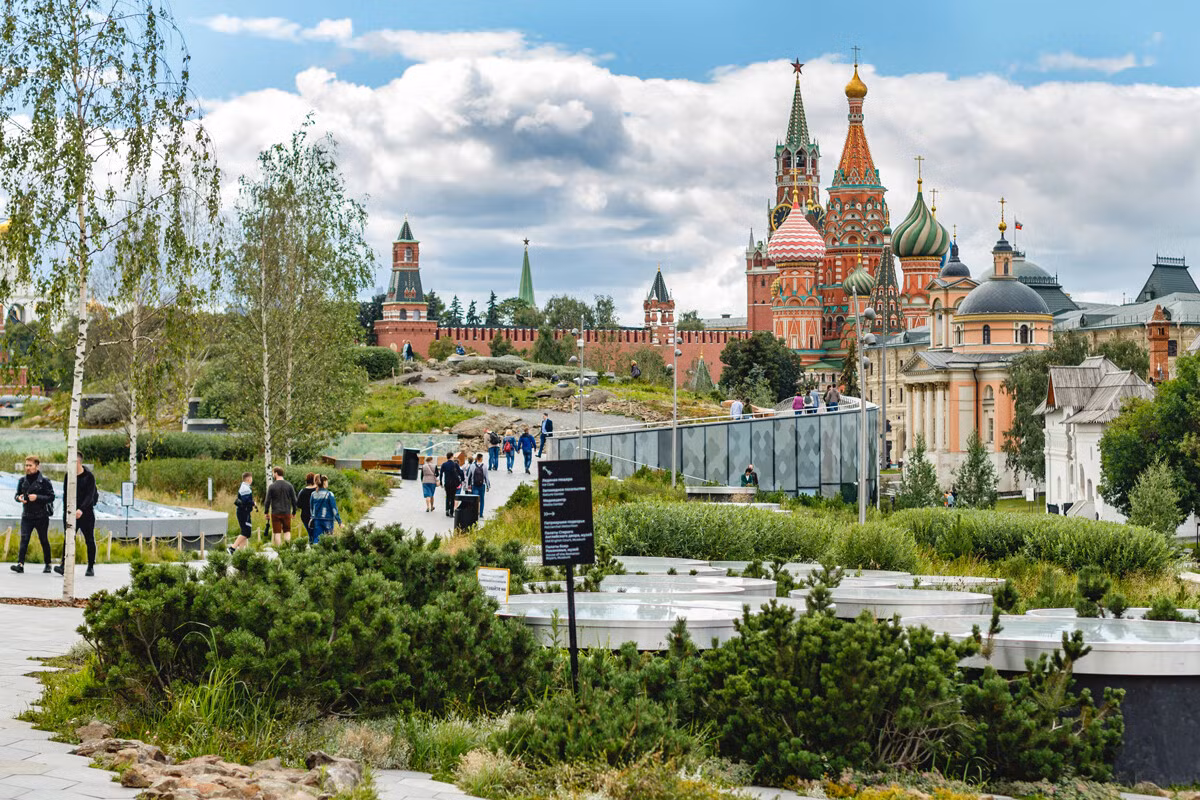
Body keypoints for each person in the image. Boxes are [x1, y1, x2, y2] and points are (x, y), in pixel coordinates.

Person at [55, 455, 99, 577]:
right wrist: (66, 513)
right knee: (68, 539)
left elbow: (90, 496)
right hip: (71, 514)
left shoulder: (89, 477)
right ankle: (64, 565)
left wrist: (81, 509)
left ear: (78, 462)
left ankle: (90, 565)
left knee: (89, 539)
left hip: (86, 513)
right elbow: (66, 495)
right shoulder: (68, 476)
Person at [11, 455, 55, 574]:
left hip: (41, 516)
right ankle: (20, 564)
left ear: (37, 466)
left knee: (43, 539)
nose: (28, 468)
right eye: (26, 465)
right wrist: (19, 498)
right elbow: (16, 495)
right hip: (27, 515)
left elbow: (51, 496)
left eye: (30, 465)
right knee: (24, 539)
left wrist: (37, 497)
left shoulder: (44, 481)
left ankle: (48, 563)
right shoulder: (22, 480)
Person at [264, 466, 298, 547]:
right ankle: (287, 548)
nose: (273, 475)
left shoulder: (272, 486)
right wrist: (294, 512)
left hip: (275, 512)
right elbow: (294, 500)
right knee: (287, 531)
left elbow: (267, 501)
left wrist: (266, 512)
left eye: (273, 473)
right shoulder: (289, 485)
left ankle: (279, 550)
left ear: (276, 473)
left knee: (277, 532)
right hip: (286, 512)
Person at [308, 474, 341, 542]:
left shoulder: (313, 494)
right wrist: (339, 522)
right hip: (328, 519)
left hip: (317, 519)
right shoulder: (329, 494)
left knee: (316, 539)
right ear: (324, 482)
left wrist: (313, 517)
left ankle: (315, 552)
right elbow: (334, 509)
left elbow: (311, 508)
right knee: (329, 540)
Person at [230, 472, 256, 553]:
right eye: (251, 478)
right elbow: (245, 501)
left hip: (244, 512)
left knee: (245, 533)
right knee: (246, 532)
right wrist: (253, 503)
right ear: (248, 479)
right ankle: (232, 548)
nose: (252, 480)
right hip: (243, 512)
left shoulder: (245, 487)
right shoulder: (245, 488)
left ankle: (241, 552)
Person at [465, 452, 491, 517]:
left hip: (474, 485)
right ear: (481, 458)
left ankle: (474, 513)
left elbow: (469, 476)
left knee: (475, 500)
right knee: (482, 500)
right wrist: (488, 486)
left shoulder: (472, 466)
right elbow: (486, 477)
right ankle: (481, 514)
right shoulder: (484, 466)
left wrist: (468, 486)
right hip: (482, 485)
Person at [439, 451, 464, 517]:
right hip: (454, 483)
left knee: (448, 496)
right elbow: (460, 473)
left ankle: (447, 510)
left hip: (447, 483)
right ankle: (451, 512)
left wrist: (441, 482)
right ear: (452, 456)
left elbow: (441, 474)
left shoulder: (444, 464)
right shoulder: (455, 464)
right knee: (453, 497)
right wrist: (462, 480)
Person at [296, 473, 317, 540]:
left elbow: (298, 504)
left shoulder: (302, 491)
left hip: (305, 515)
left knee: (310, 533)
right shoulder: (317, 491)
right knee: (316, 533)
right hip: (316, 514)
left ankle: (311, 544)